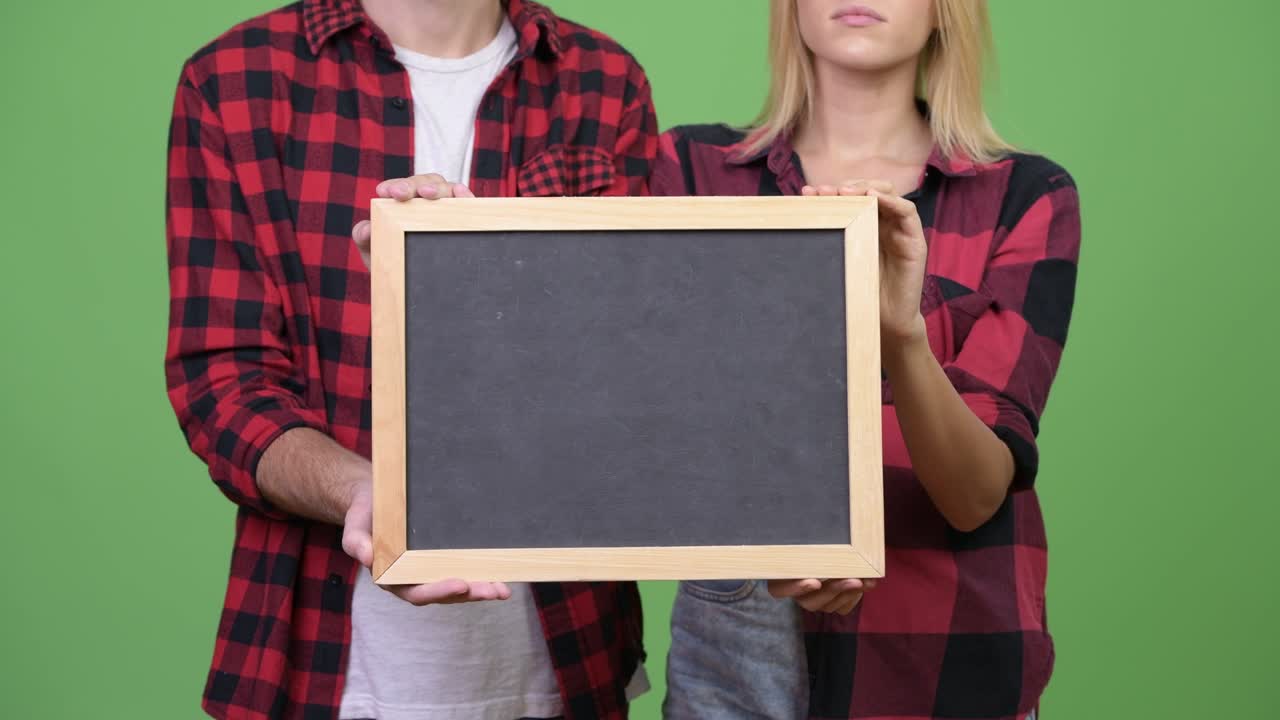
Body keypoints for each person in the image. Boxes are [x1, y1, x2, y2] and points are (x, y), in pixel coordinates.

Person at [163, 0, 657, 718]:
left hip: (566, 655)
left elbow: (634, 359)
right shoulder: (235, 78)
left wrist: (467, 294)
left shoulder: (605, 79)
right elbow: (221, 382)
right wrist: (366, 494)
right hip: (326, 667)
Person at [650, 1, 1080, 719]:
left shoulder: (1025, 196)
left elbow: (975, 495)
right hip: (739, 642)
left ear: (948, 12)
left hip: (945, 653)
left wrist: (903, 336)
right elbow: (639, 410)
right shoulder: (689, 170)